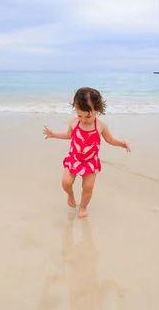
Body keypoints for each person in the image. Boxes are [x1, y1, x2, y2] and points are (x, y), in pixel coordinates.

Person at [43, 87, 131, 218]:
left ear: (98, 110)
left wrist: (122, 143)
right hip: (74, 158)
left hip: (90, 162)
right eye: (80, 115)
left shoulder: (101, 126)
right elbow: (68, 135)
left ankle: (83, 207)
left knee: (88, 187)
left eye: (88, 116)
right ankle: (70, 194)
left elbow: (110, 139)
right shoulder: (74, 122)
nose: (83, 119)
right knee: (66, 182)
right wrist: (53, 134)